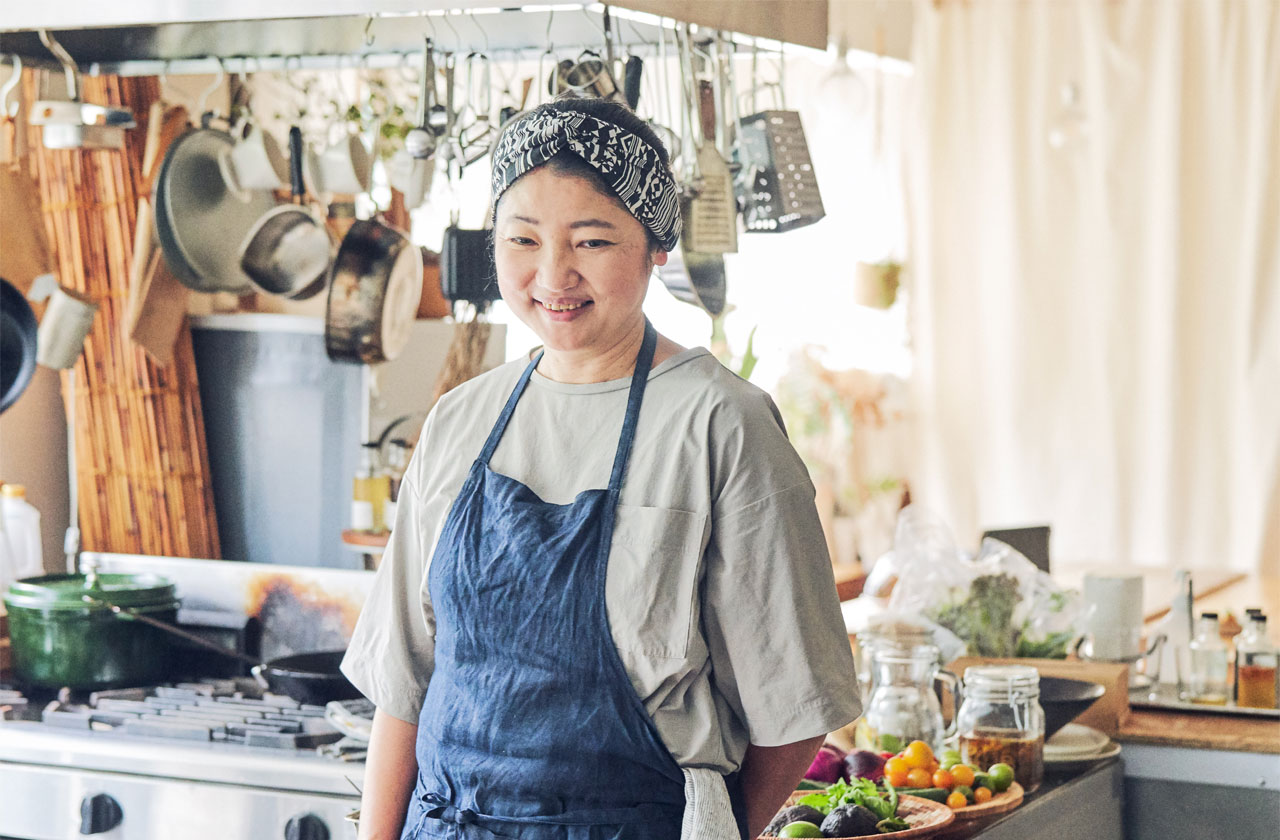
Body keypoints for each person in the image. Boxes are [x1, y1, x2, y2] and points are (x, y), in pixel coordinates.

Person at [341, 97, 860, 840]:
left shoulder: (722, 424)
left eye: (591, 241)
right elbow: (404, 682)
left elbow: (795, 701)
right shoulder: (462, 420)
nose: (553, 274)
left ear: (656, 248)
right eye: (522, 237)